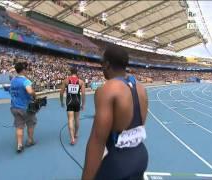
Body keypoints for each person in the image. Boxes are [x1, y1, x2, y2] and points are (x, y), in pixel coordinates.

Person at [82, 46, 149, 180]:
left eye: (102, 63)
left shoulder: (107, 89)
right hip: (140, 157)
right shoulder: (141, 88)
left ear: (107, 64)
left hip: (117, 164)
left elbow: (97, 140)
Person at [9, 62, 37, 153]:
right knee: (31, 123)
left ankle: (19, 145)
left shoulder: (13, 80)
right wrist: (34, 94)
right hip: (25, 107)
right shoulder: (25, 81)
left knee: (19, 127)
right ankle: (30, 140)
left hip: (14, 107)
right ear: (24, 70)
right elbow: (29, 91)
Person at [60, 67, 86, 145]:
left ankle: (72, 138)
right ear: (76, 73)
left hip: (69, 102)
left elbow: (61, 93)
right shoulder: (81, 82)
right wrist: (83, 104)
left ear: (70, 72)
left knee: (70, 119)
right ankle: (76, 134)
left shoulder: (66, 81)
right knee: (77, 118)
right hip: (77, 102)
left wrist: (61, 102)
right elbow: (83, 94)